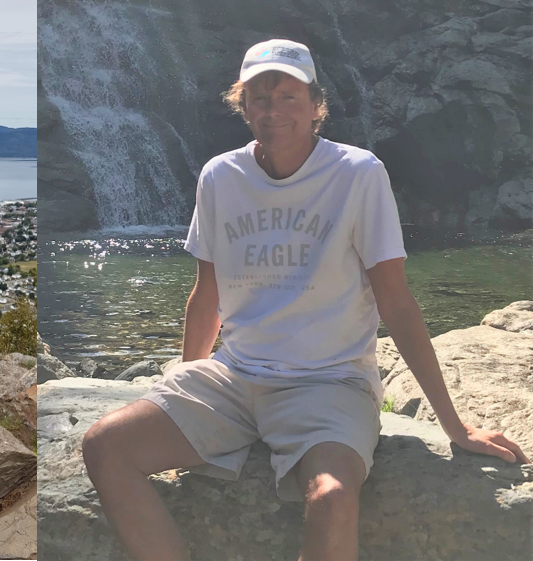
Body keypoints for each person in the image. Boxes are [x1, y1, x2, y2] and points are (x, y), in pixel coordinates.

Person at [81, 39, 529, 561]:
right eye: (259, 98)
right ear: (242, 105)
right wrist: (183, 391)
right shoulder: (220, 176)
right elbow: (207, 296)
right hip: (236, 376)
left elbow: (397, 302)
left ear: (316, 105)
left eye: (288, 96)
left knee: (333, 497)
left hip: (330, 381)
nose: (273, 111)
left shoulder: (359, 174)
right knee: (105, 446)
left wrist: (455, 425)